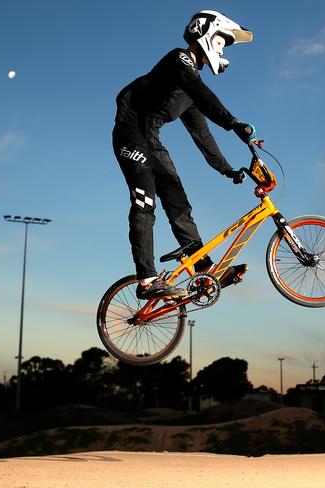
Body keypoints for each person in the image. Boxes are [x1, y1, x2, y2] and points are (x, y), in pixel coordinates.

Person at [112, 10, 258, 300]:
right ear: (206, 34)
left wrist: (227, 169)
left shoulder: (191, 91)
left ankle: (204, 270)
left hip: (150, 139)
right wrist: (233, 122)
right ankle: (147, 280)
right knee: (145, 202)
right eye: (222, 41)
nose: (222, 48)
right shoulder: (178, 60)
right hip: (130, 134)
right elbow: (200, 90)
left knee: (178, 201)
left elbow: (202, 134)